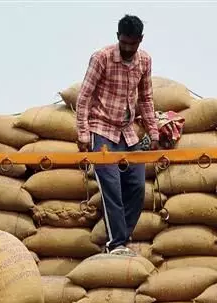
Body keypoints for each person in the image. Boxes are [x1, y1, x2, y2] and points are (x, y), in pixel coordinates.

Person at [76, 14, 159, 253]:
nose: (128, 49)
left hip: (128, 133)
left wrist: (153, 132)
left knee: (137, 188)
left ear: (140, 40)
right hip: (101, 130)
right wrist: (83, 134)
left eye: (133, 44)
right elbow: (84, 98)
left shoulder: (144, 61)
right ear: (117, 38)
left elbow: (146, 98)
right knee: (111, 187)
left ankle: (121, 238)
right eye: (124, 43)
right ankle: (117, 244)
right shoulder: (101, 58)